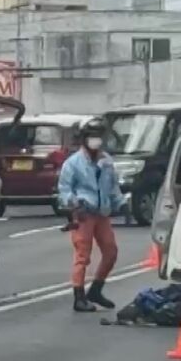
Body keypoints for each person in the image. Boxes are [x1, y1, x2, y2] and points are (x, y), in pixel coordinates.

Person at [57, 117, 124, 312]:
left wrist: (120, 203)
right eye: (92, 137)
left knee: (111, 252)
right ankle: (79, 297)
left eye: (99, 137)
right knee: (82, 256)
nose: (96, 141)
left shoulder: (106, 162)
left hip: (102, 213)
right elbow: (64, 189)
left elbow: (113, 187)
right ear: (85, 139)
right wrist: (75, 203)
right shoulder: (73, 163)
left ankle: (96, 290)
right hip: (83, 215)